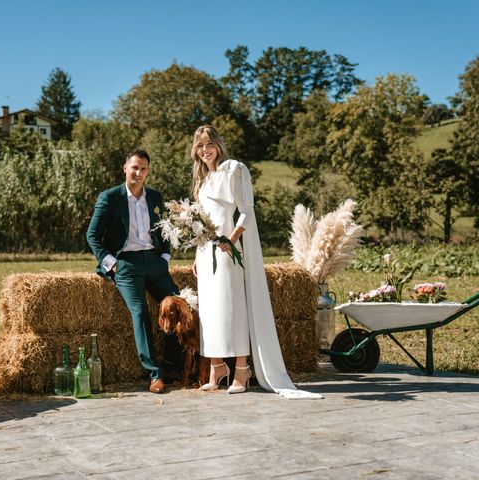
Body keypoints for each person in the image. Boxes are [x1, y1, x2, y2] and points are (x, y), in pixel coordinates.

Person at [191, 125, 321, 399]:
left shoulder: (234, 170)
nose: (205, 150)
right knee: (210, 312)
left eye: (209, 143)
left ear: (218, 144)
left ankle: (241, 368)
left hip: (228, 252)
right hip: (206, 255)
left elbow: (246, 212)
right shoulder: (202, 181)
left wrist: (232, 239)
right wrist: (196, 254)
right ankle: (216, 368)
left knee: (232, 308)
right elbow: (201, 223)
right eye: (200, 145)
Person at [87, 149, 179, 394]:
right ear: (125, 168)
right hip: (125, 264)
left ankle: (176, 367)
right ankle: (155, 374)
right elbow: (92, 236)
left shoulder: (156, 197)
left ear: (148, 171)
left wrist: (165, 257)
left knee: (180, 305)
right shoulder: (110, 197)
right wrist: (113, 264)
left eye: (144, 169)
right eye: (135, 167)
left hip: (154, 261)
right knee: (140, 312)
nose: (139, 173)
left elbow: (165, 230)